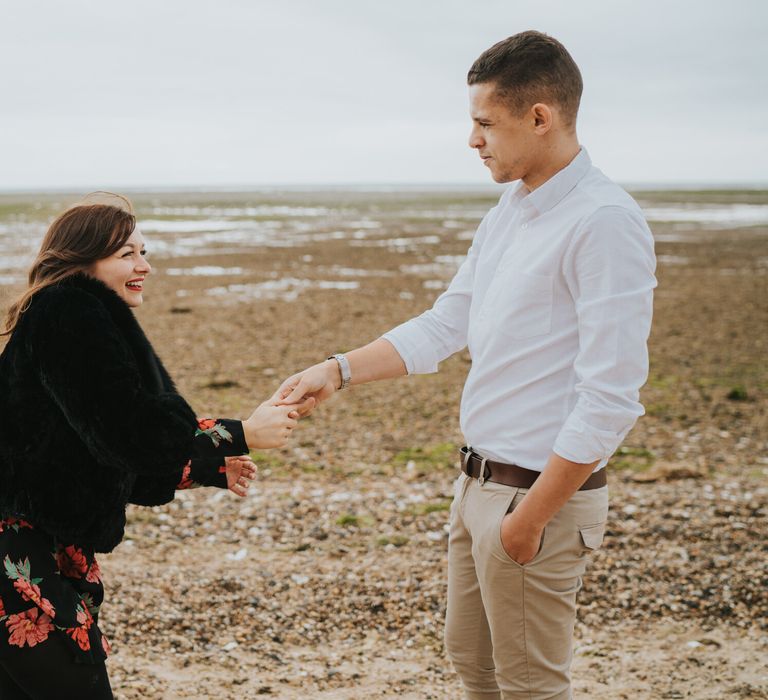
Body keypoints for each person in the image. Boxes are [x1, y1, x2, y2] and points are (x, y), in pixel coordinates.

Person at [276, 31, 657, 700]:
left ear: (541, 116)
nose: (472, 139)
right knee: (474, 672)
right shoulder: (512, 210)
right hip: (476, 488)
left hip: (538, 499)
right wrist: (336, 370)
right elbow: (447, 323)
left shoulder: (603, 222)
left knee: (530, 688)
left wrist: (529, 520)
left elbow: (611, 397)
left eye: (485, 122)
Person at [0, 194, 312, 699]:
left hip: (39, 542)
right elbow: (128, 430)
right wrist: (241, 433)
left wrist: (209, 469)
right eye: (127, 254)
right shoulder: (69, 311)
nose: (145, 266)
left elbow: (101, 449)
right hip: (17, 550)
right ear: (82, 260)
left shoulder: (68, 312)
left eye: (143, 252)